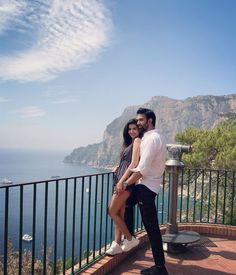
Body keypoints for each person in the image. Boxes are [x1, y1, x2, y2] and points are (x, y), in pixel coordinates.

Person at [118, 108, 168, 275]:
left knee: (152, 229)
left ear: (149, 121)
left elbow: (143, 169)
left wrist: (125, 183)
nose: (137, 123)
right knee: (125, 204)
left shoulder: (152, 139)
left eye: (140, 120)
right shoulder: (153, 137)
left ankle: (160, 268)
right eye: (137, 120)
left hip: (145, 188)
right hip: (147, 187)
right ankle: (129, 237)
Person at [106, 118, 141, 256]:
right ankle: (116, 244)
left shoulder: (137, 141)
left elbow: (133, 163)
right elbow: (126, 162)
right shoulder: (129, 143)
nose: (132, 131)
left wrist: (122, 181)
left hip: (124, 182)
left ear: (139, 130)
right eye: (130, 129)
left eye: (134, 129)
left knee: (111, 211)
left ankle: (129, 239)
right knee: (119, 214)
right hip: (120, 178)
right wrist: (118, 167)